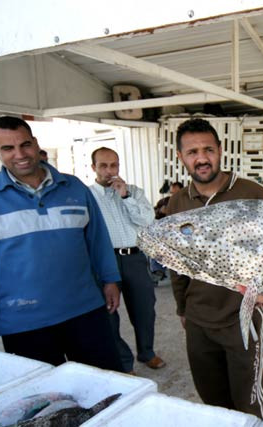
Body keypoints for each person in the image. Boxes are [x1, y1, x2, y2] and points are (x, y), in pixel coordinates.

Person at [0, 116, 123, 371]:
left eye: (25, 145)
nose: (20, 154)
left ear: (36, 143)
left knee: (107, 386)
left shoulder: (73, 186)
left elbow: (97, 239)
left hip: (86, 311)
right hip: (24, 323)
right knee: (48, 402)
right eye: (8, 148)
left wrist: (110, 278)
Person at [166, 118, 263, 418]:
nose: (201, 158)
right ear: (181, 157)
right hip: (198, 320)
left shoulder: (252, 194)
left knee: (250, 402)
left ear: (220, 150)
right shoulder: (178, 203)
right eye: (192, 152)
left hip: (242, 316)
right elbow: (178, 265)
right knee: (212, 401)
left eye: (208, 149)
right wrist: (182, 309)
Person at [89, 147, 166, 373]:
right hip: (105, 261)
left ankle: (147, 353)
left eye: (114, 165)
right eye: (103, 166)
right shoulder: (88, 196)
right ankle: (123, 362)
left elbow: (147, 220)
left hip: (135, 258)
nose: (109, 170)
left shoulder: (133, 191)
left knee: (145, 309)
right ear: (93, 167)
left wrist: (125, 196)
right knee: (109, 312)